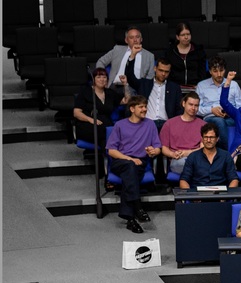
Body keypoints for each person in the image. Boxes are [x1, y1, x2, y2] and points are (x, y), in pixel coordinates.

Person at [105, 95, 161, 234]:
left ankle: (130, 219)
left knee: (131, 174)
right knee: (131, 168)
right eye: (141, 107)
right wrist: (129, 159)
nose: (144, 109)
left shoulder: (150, 124)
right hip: (120, 161)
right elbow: (111, 151)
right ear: (132, 108)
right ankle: (137, 206)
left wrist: (153, 151)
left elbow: (158, 148)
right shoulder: (120, 125)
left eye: (145, 107)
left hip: (140, 162)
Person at [196, 56, 241, 151]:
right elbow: (197, 109)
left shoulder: (233, 84)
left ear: (225, 70)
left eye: (221, 70)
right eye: (215, 71)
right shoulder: (201, 85)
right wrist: (211, 110)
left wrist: (230, 111)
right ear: (210, 71)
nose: (219, 74)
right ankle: (228, 152)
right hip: (210, 117)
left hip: (230, 117)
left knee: (238, 122)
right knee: (220, 122)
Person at [73, 67, 126, 150]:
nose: (102, 79)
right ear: (93, 79)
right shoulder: (85, 92)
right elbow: (76, 113)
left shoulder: (110, 93)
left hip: (105, 125)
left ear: (107, 80)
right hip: (88, 125)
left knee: (106, 139)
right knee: (109, 134)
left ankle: (109, 156)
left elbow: (126, 100)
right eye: (98, 77)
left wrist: (125, 85)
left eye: (104, 77)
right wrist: (90, 119)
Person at [123, 56, 182, 130]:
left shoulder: (174, 88)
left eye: (166, 71)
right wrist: (132, 57)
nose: (163, 74)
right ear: (155, 68)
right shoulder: (144, 84)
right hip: (147, 123)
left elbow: (179, 109)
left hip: (167, 124)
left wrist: (174, 124)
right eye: (161, 70)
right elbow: (130, 77)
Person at [96, 26, 155, 94]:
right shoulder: (117, 50)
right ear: (126, 40)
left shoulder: (149, 56)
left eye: (137, 37)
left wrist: (143, 89)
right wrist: (103, 78)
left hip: (135, 89)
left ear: (141, 39)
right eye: (131, 37)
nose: (135, 40)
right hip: (115, 86)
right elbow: (101, 62)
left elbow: (150, 77)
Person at [159, 92, 207, 175]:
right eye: (190, 104)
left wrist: (187, 152)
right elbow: (164, 148)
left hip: (197, 159)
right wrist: (172, 154)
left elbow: (204, 149)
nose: (193, 108)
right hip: (178, 160)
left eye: (196, 106)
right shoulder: (169, 124)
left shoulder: (203, 125)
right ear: (184, 103)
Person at [179, 124, 238, 189]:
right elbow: (184, 180)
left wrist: (226, 196)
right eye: (206, 137)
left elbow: (234, 179)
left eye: (212, 137)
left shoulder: (226, 156)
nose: (208, 140)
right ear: (201, 139)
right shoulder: (193, 157)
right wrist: (192, 196)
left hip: (221, 195)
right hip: (198, 195)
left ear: (217, 139)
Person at [164, 23, 207, 88]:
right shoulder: (170, 52)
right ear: (177, 37)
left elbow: (202, 72)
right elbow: (168, 71)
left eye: (188, 34)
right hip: (175, 87)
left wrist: (199, 85)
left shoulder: (199, 50)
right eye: (183, 35)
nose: (186, 37)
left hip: (195, 87)